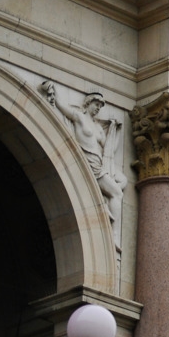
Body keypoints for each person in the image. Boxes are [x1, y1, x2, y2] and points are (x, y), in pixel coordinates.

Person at [42, 82, 126, 250]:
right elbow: (61, 106)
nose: (98, 109)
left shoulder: (98, 128)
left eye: (100, 107)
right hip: (85, 162)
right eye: (96, 105)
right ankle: (110, 226)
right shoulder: (79, 117)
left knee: (121, 184)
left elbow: (109, 149)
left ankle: (112, 230)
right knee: (116, 192)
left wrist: (114, 131)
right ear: (88, 103)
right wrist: (51, 89)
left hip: (98, 166)